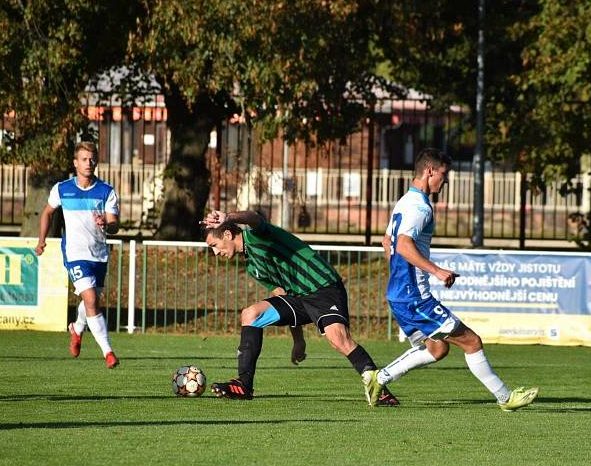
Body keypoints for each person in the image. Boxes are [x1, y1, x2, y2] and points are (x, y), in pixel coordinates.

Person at [364, 147, 538, 411]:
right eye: (443, 175)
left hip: (400, 292)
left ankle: (381, 378)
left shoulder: (404, 202)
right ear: (430, 171)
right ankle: (506, 398)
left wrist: (400, 273)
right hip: (414, 296)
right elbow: (402, 244)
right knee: (471, 341)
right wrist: (436, 271)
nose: (445, 181)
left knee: (437, 349)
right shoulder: (420, 207)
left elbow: (386, 241)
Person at [201, 209, 398, 406]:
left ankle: (381, 391)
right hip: (299, 299)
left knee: (339, 339)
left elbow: (254, 219)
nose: (215, 253)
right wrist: (298, 340)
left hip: (322, 287)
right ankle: (244, 385)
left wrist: (229, 217)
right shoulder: (253, 266)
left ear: (227, 234)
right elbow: (282, 294)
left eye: (214, 246)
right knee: (251, 314)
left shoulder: (257, 236)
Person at [35, 141, 120, 368]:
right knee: (91, 299)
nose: (88, 163)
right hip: (74, 253)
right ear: (75, 163)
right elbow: (47, 213)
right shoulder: (62, 188)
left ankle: (77, 327)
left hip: (99, 254)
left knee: (91, 300)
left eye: (92, 159)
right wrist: (42, 240)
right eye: (84, 159)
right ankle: (108, 352)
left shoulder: (106, 191)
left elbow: (114, 225)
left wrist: (106, 224)